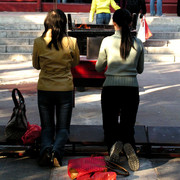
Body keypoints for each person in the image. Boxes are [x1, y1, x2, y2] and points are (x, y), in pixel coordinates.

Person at [95, 8, 144, 171]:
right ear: (130, 23)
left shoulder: (107, 41)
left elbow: (98, 67)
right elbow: (140, 69)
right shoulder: (137, 42)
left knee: (109, 123)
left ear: (113, 23)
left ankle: (113, 146)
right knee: (128, 124)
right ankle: (129, 144)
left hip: (111, 88)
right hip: (131, 89)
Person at [32, 9, 80, 167]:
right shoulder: (71, 41)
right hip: (64, 89)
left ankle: (46, 149)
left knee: (46, 127)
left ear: (47, 23)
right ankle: (56, 153)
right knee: (63, 127)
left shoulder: (39, 42)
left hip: (45, 88)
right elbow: (75, 63)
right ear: (63, 23)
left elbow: (36, 65)